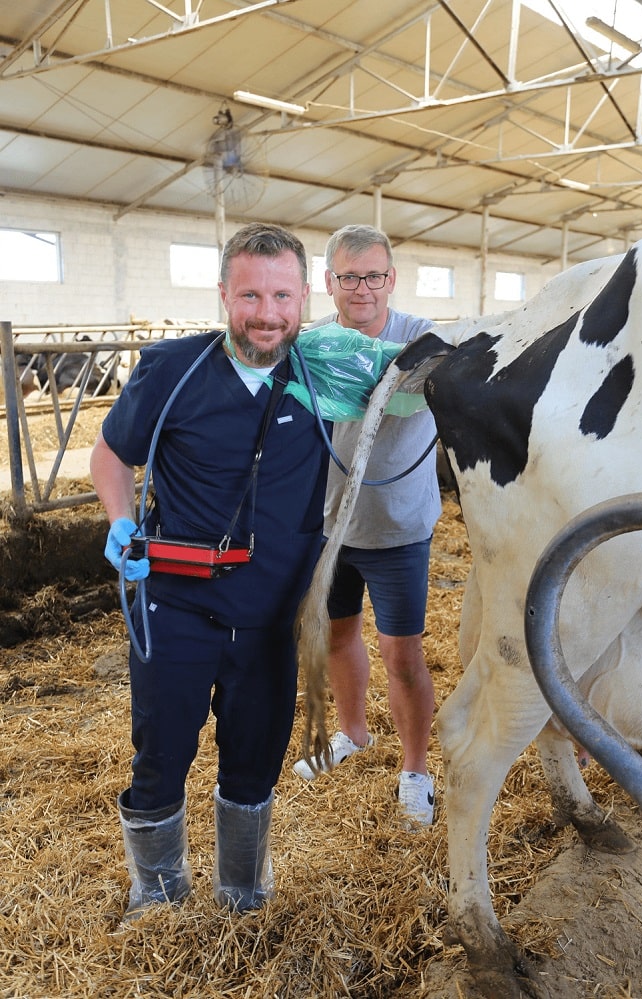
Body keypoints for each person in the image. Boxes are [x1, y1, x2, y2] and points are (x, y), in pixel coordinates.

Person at [90, 222, 409, 920]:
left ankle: (242, 895)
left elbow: (416, 384)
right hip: (174, 606)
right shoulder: (170, 369)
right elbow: (111, 455)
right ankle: (159, 897)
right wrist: (118, 518)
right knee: (161, 753)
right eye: (251, 295)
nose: (267, 313)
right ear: (224, 295)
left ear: (306, 296)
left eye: (282, 295)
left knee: (255, 760)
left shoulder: (322, 371)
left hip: (271, 616)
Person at [293, 224, 441, 826]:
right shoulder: (312, 347)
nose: (362, 289)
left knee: (402, 654)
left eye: (373, 275)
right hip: (330, 524)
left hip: (398, 525)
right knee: (335, 636)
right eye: (349, 277)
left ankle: (415, 770)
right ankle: (352, 733)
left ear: (391, 279)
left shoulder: (425, 343)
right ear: (328, 283)